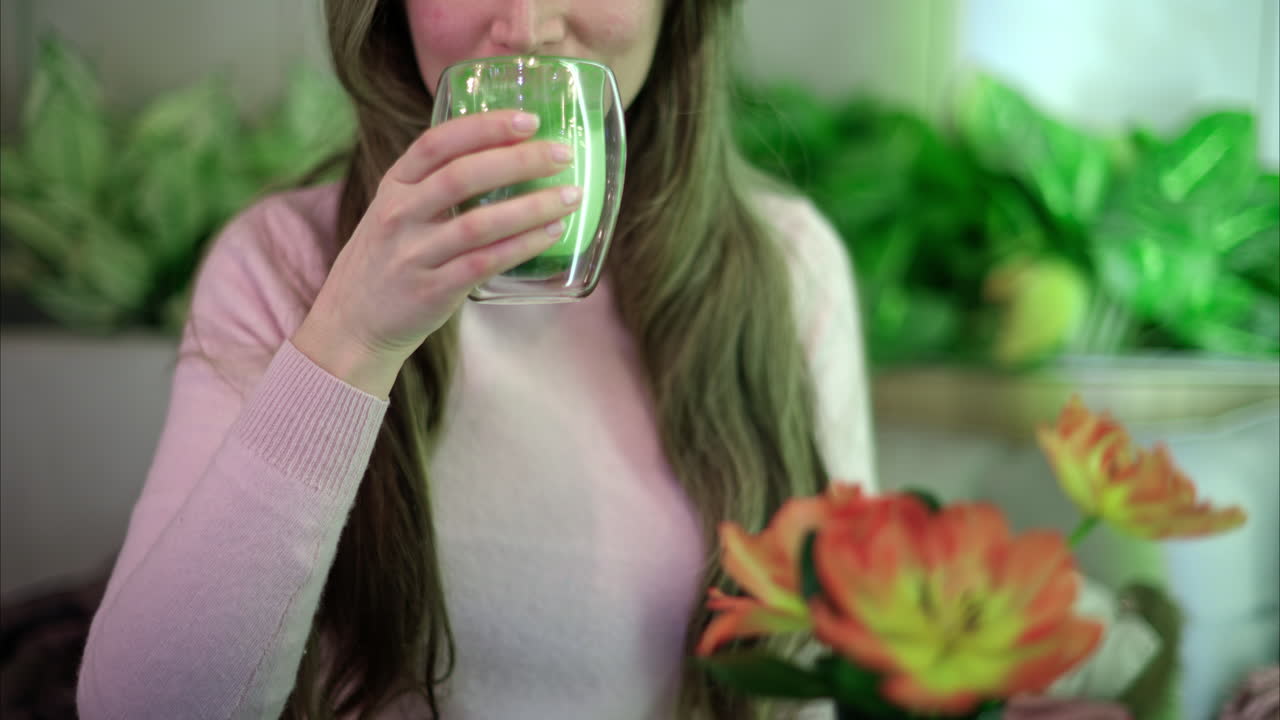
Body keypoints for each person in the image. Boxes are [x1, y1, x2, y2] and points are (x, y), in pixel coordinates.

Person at [76, 1, 875, 718]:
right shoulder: (282, 264)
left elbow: (824, 670)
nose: (525, 26)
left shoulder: (791, 269)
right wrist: (352, 340)